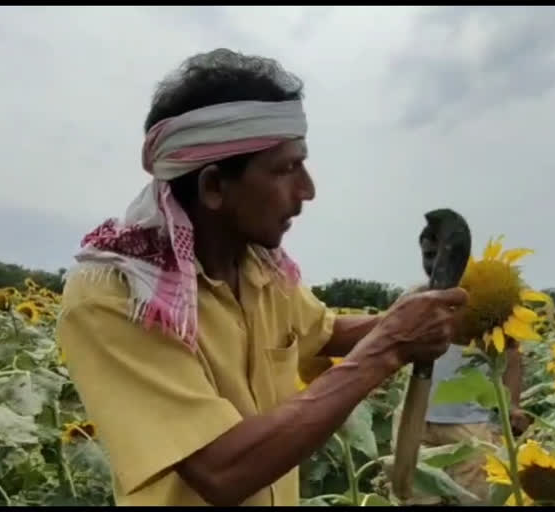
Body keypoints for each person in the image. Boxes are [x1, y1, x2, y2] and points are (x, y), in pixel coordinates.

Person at [55, 48, 469, 507]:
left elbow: (324, 332)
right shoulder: (117, 295)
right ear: (213, 186)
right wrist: (388, 346)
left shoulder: (261, 269)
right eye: (286, 169)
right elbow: (221, 468)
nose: (308, 190)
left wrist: (437, 319)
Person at [390, 222, 530, 506]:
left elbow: (512, 356)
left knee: (475, 500)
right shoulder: (414, 298)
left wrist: (513, 405)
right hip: (415, 419)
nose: (435, 262)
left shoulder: (484, 294)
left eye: (441, 253)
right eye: (428, 255)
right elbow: (390, 343)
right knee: (414, 498)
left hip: (470, 425)